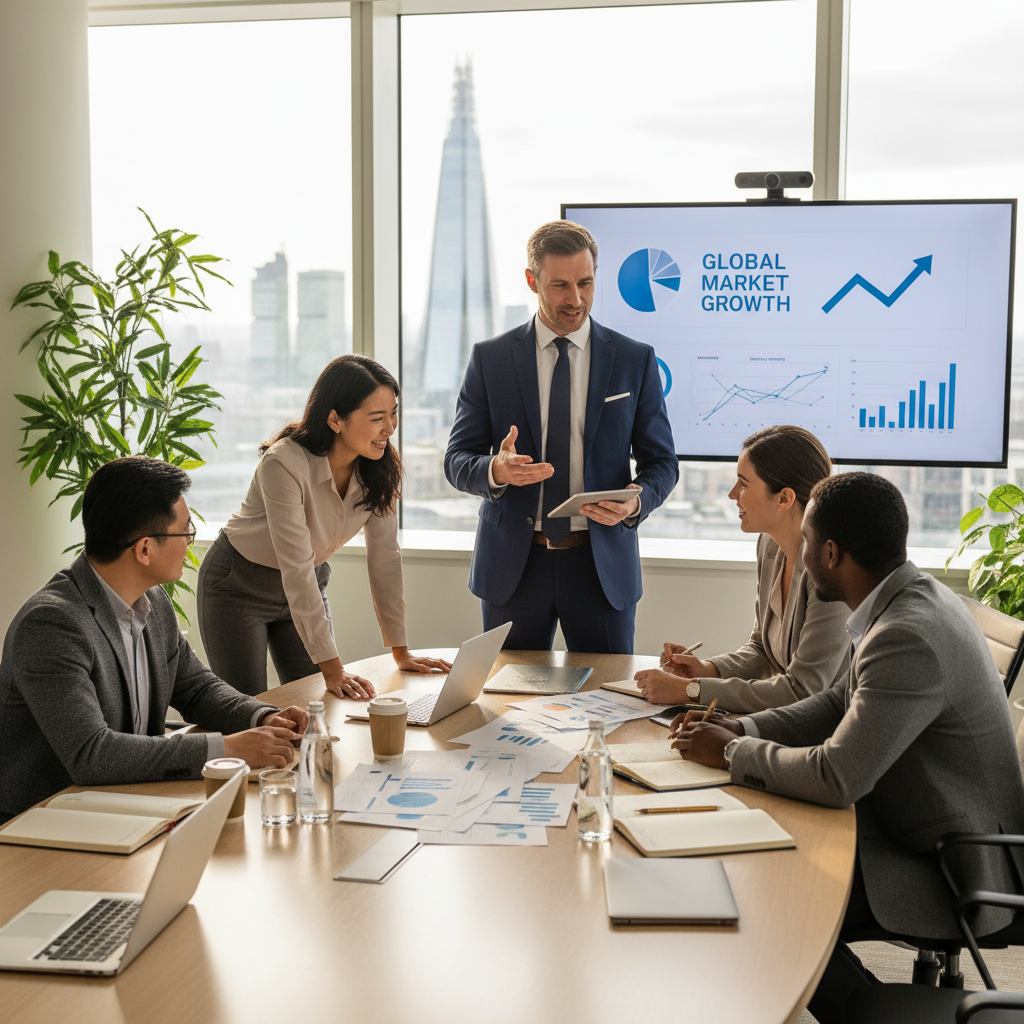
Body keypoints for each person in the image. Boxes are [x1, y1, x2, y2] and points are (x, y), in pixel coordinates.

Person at [670, 471, 1024, 1024]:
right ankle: (863, 1001)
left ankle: (865, 1012)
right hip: (914, 819)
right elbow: (837, 702)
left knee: (775, 896)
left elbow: (838, 777)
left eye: (807, 542)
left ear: (830, 553)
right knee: (762, 864)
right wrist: (745, 730)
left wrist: (731, 756)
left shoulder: (908, 632)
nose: (801, 554)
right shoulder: (902, 597)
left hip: (954, 863)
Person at [0, 457, 309, 824]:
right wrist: (227, 748)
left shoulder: (153, 601)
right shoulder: (52, 624)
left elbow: (196, 689)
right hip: (41, 820)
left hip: (123, 801)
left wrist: (264, 716)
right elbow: (91, 754)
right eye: (185, 532)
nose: (190, 544)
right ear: (144, 549)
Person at [444, 220, 678, 653]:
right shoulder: (490, 359)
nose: (576, 299)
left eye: (585, 283)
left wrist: (638, 498)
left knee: (609, 706)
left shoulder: (634, 359)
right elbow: (457, 460)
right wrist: (495, 469)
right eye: (560, 286)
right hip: (514, 567)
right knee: (506, 707)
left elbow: (663, 463)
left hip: (601, 565)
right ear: (532, 281)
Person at [197, 355, 450, 699]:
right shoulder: (283, 463)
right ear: (334, 419)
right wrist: (334, 668)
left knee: (322, 702)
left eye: (393, 414)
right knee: (247, 712)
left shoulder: (381, 466)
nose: (390, 429)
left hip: (306, 584)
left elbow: (385, 558)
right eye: (377, 418)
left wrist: (400, 651)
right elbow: (296, 566)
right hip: (238, 586)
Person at [633, 425, 850, 712]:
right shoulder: (770, 545)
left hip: (828, 728)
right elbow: (762, 648)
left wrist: (691, 690)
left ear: (784, 498)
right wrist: (708, 670)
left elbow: (803, 690)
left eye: (744, 484)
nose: (733, 494)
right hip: (785, 720)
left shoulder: (831, 569)